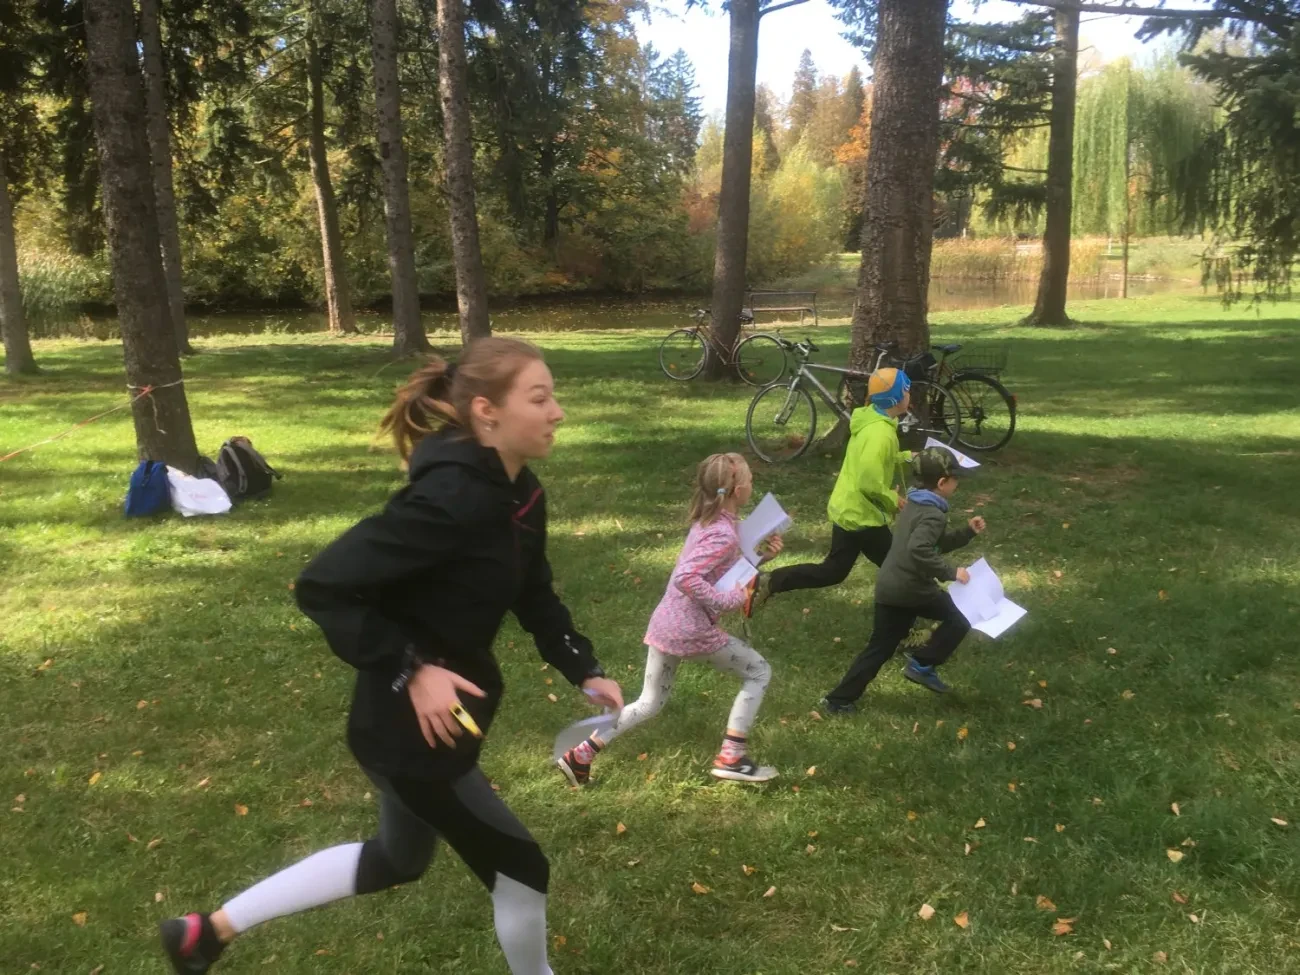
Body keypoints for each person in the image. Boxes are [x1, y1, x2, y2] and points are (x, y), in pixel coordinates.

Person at [158, 338, 623, 975]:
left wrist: (582, 665)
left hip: (435, 721)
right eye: (539, 399)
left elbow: (532, 589)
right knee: (520, 867)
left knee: (397, 859)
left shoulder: (520, 493)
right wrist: (413, 668)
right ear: (487, 412)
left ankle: (202, 934)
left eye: (553, 397)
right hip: (410, 730)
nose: (557, 412)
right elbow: (323, 585)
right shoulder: (449, 500)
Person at [556, 453, 781, 786]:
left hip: (667, 625)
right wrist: (729, 600)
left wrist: (760, 557)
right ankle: (732, 757)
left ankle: (579, 756)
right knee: (759, 671)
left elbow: (720, 570)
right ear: (737, 490)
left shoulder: (712, 522)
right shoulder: (723, 533)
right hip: (692, 630)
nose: (752, 484)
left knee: (649, 702)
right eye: (749, 479)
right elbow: (688, 577)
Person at [821, 446, 986, 712]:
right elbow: (919, 549)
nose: (957, 484)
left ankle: (838, 700)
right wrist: (951, 572)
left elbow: (933, 544)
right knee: (963, 614)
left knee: (880, 647)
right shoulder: (933, 513)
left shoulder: (915, 503)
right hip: (912, 589)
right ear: (942, 483)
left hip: (889, 586)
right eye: (955, 479)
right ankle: (922, 664)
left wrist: (967, 532)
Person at [745, 366, 912, 617]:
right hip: (862, 517)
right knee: (901, 568)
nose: (910, 394)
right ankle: (930, 612)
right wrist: (893, 500)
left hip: (849, 510)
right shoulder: (881, 434)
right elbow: (869, 482)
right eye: (907, 390)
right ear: (896, 398)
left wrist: (907, 457)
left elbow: (872, 461)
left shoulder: (873, 421)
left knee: (834, 571)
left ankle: (769, 581)